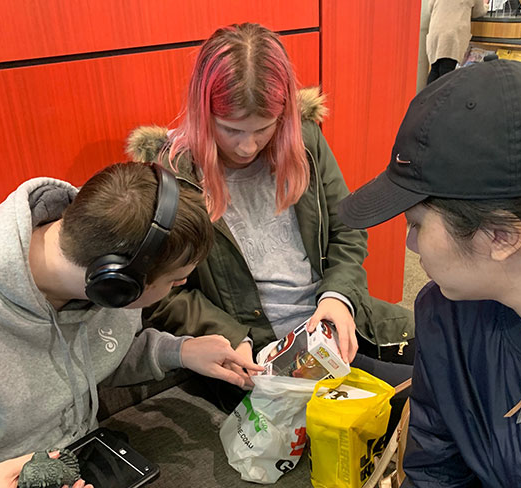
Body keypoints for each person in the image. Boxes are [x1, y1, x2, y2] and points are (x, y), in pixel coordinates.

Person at [126, 23, 415, 409]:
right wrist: (230, 336)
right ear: (203, 112)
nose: (248, 146)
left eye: (264, 129)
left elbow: (347, 228)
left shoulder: (306, 141)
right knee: (411, 403)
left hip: (329, 318)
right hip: (257, 352)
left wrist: (338, 296)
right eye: (231, 129)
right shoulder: (177, 176)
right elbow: (164, 296)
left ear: (285, 115)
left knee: (453, 360)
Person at [338, 59, 521, 486]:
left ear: (500, 236)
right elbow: (433, 469)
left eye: (416, 224)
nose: (409, 244)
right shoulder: (446, 315)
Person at [0, 161, 261, 488]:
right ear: (120, 283)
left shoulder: (103, 279)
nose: (183, 283)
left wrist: (178, 351)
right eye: (175, 280)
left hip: (80, 459)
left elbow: (96, 355)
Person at [426, 0, 488, 84]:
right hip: (452, 34)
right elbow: (478, 12)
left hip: (435, 31)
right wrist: (486, 5)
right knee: (446, 72)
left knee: (435, 69)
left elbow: (431, 7)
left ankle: (427, 96)